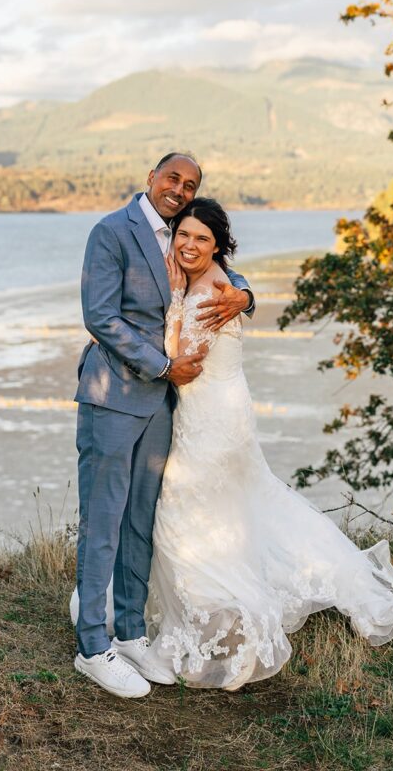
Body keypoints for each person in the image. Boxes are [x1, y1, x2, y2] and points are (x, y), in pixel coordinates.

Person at [145, 197, 393, 691]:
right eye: (183, 235)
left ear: (218, 246)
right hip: (218, 414)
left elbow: (184, 361)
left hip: (212, 421)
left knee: (183, 510)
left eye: (202, 239)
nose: (189, 245)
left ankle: (224, 615)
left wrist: (172, 302)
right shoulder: (220, 282)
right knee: (235, 509)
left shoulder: (213, 289)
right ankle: (218, 604)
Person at [73, 155, 255, 698]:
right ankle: (92, 646)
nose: (180, 189)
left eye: (190, 185)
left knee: (140, 520)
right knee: (102, 519)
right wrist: (162, 366)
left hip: (162, 407)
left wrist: (245, 294)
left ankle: (129, 631)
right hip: (114, 395)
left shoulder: (180, 230)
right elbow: (100, 316)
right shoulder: (110, 232)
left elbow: (215, 259)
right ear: (150, 178)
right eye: (172, 179)